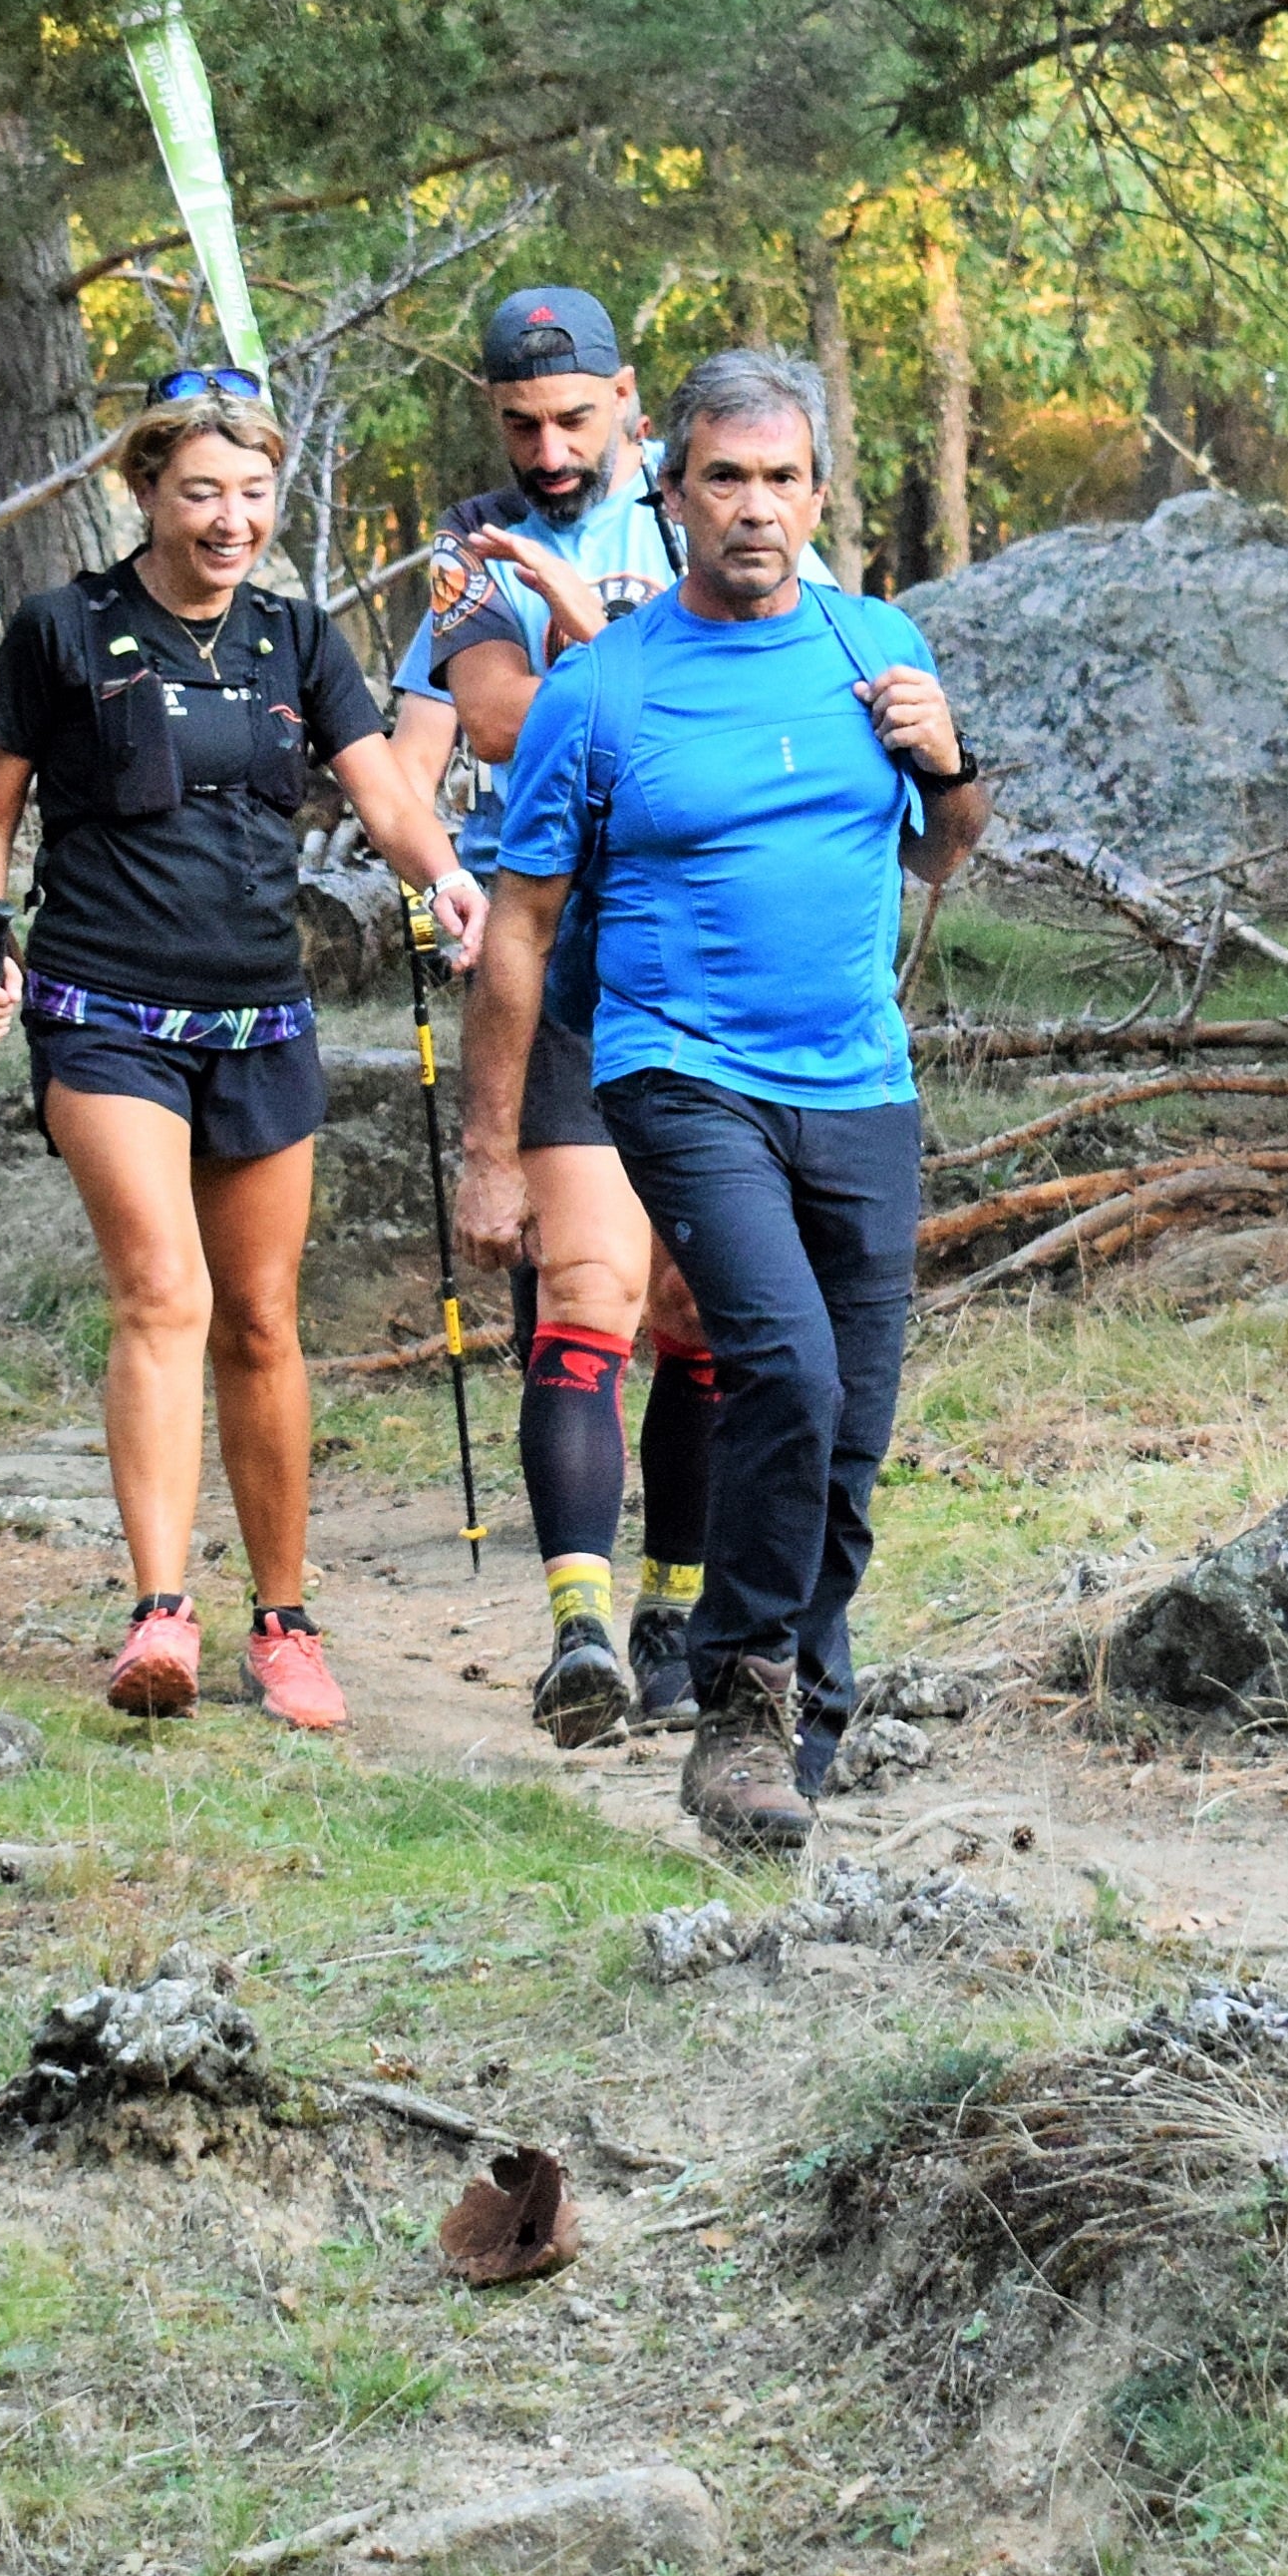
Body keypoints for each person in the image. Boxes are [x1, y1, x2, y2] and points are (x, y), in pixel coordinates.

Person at [461, 348, 987, 1854]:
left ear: (818, 493)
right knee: (787, 1370)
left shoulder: (871, 642)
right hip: (678, 1071)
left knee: (855, 1427)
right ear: (670, 490)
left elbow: (943, 852)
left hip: (858, 1077)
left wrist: (947, 765)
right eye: (723, 480)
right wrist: (491, 1152)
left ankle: (798, 1726)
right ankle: (739, 1702)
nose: (755, 509)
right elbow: (521, 929)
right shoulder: (603, 687)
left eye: (782, 480)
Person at [0, 370, 481, 1734]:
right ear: (146, 491)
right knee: (162, 1293)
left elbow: (380, 789)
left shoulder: (301, 641)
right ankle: (159, 1612)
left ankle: (286, 1623)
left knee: (258, 1319)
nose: (230, 520)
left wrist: (445, 878)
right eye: (201, 494)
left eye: (251, 495)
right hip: (104, 1008)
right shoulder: (62, 631)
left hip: (261, 1016)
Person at [387, 285, 723, 1745]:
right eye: (520, 423)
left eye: (574, 418)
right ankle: (578, 1626)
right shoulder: (477, 552)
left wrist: (585, 627)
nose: (547, 449)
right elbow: (507, 722)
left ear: (629, 399)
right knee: (586, 1295)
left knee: (699, 1317)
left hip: (719, 957)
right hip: (567, 958)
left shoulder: (721, 501)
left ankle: (678, 1605)